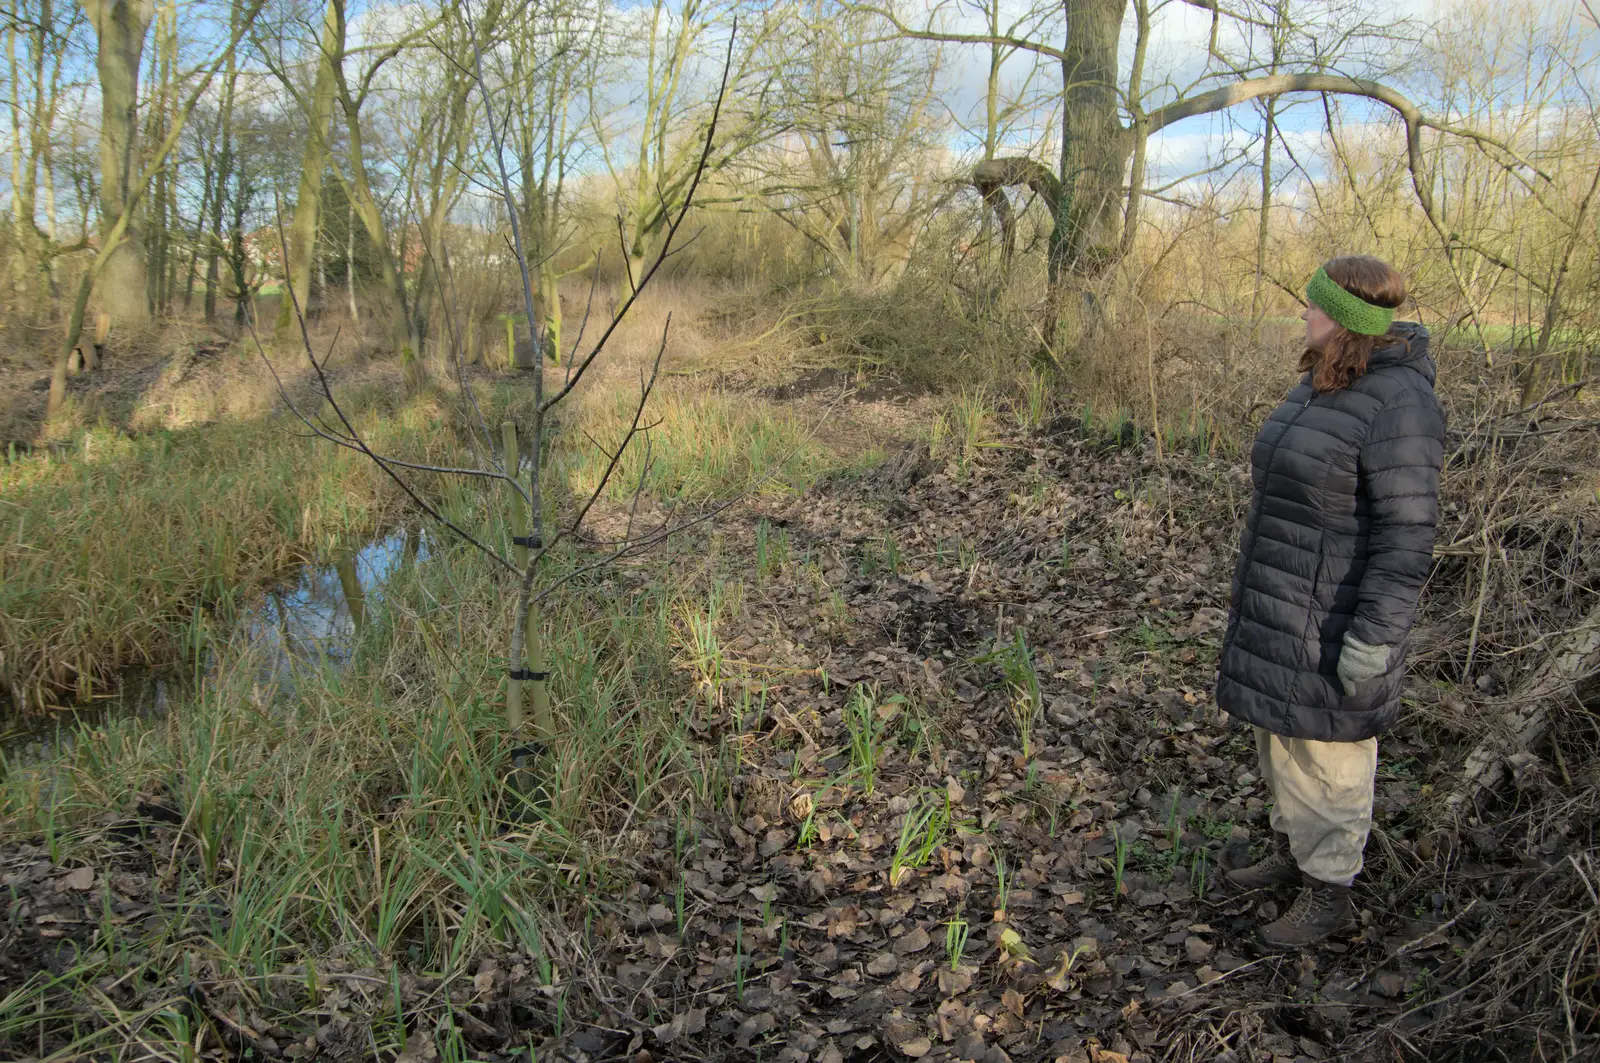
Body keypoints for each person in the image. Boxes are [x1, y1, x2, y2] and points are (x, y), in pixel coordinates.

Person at [1214, 255, 1446, 950]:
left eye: (1314, 305)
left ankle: (1330, 889)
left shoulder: (1400, 403)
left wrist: (1374, 637)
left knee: (1332, 759)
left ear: (1345, 321)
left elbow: (1408, 535)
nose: (1303, 312)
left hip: (1336, 616)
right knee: (1283, 743)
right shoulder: (1322, 384)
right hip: (1284, 605)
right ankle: (1296, 855)